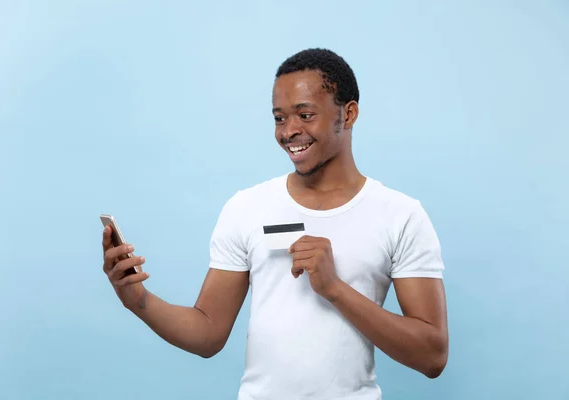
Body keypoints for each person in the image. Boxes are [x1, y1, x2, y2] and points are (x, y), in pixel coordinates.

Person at [101, 48, 448, 400]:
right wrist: (138, 300)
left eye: (306, 114)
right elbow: (208, 333)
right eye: (280, 118)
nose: (289, 132)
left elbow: (432, 356)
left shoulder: (400, 215)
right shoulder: (247, 208)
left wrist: (335, 289)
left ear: (349, 113)